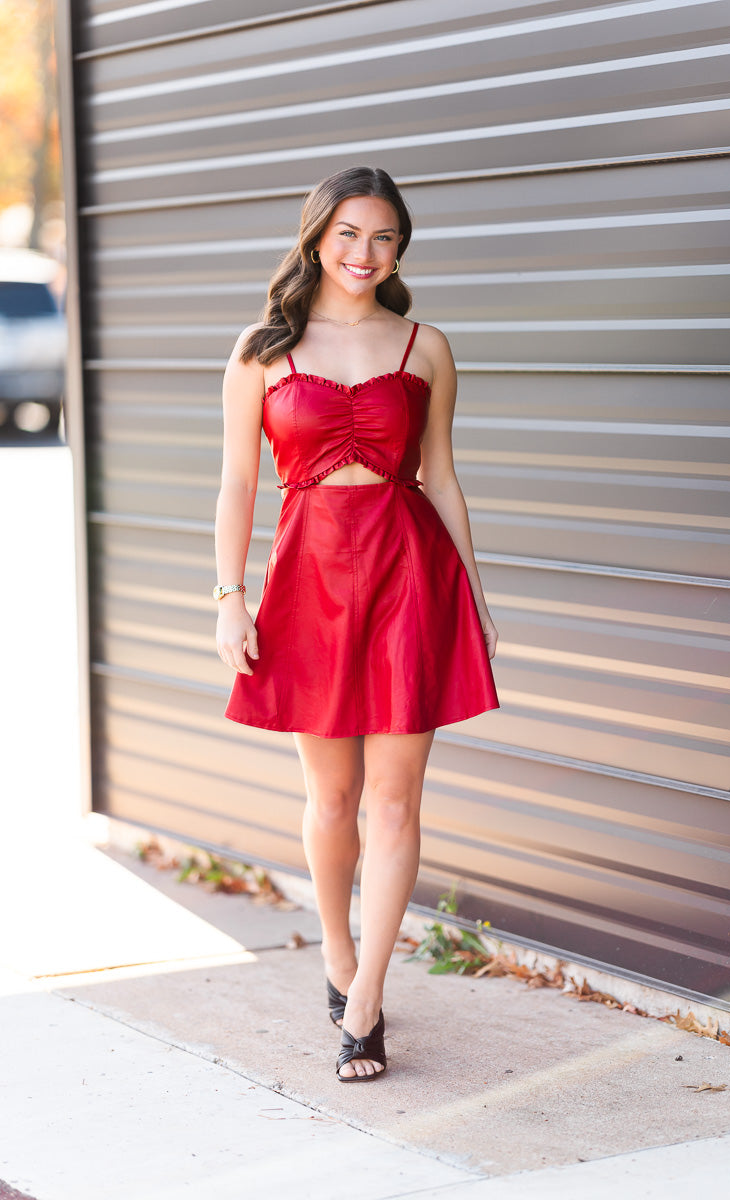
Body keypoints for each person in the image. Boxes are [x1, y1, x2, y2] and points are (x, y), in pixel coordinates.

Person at [214, 166, 499, 1082]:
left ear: (400, 246)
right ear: (315, 237)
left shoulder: (424, 346)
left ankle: (368, 996)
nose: (363, 253)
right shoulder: (263, 350)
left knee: (394, 799)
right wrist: (229, 598)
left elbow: (443, 480)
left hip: (409, 573)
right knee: (332, 799)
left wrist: (478, 602)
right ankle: (337, 954)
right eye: (347, 234)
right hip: (306, 581)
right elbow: (236, 485)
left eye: (382, 237)